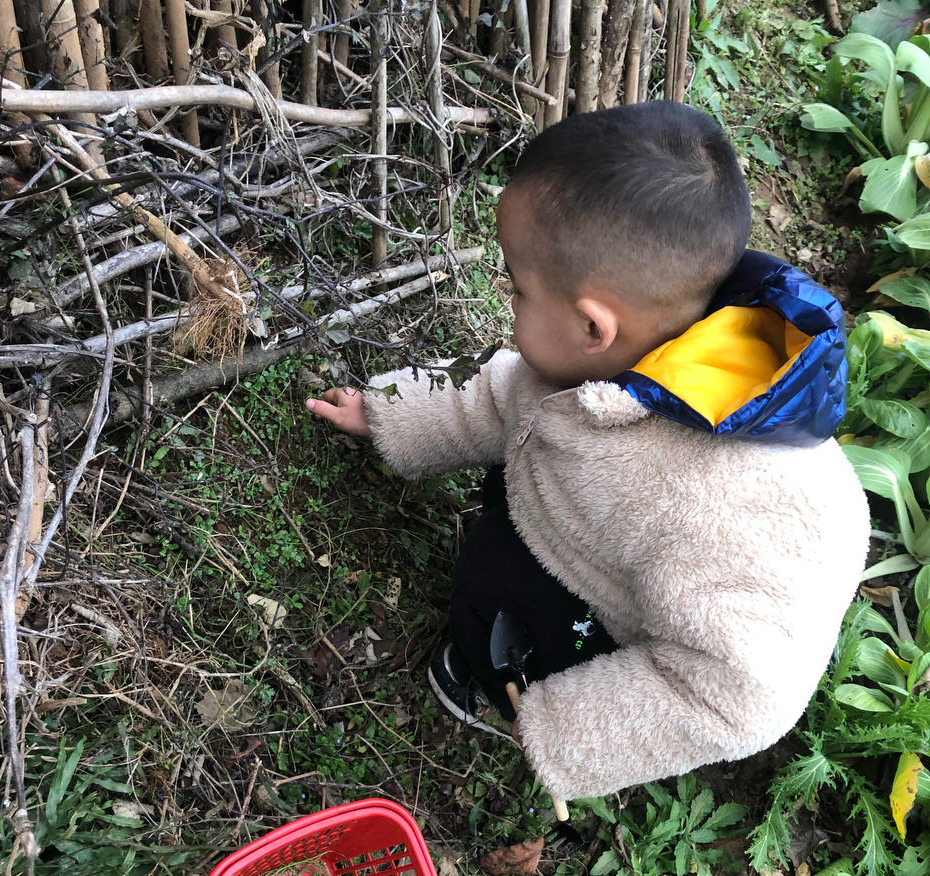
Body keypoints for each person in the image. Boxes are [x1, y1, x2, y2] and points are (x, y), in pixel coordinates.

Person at [305, 101, 871, 807]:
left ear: (592, 325)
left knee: (492, 602)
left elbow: (744, 695)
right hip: (601, 535)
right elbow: (508, 392)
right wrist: (393, 413)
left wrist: (564, 726)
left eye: (516, 287)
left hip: (625, 616)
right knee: (505, 526)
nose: (509, 303)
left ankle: (492, 686)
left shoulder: (708, 510)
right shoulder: (641, 347)